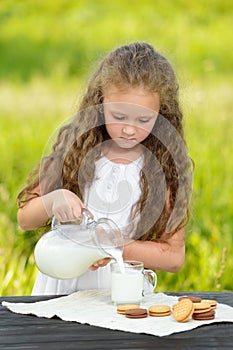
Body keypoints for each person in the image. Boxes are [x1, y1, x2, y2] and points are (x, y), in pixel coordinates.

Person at [17, 42, 193, 295]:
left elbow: (173, 257)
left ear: (161, 112)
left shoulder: (159, 170)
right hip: (61, 291)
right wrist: (54, 200)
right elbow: (25, 220)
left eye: (143, 120)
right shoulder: (76, 153)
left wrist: (114, 246)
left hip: (120, 294)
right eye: (119, 117)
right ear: (100, 103)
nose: (130, 129)